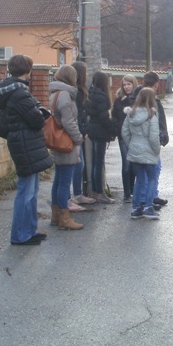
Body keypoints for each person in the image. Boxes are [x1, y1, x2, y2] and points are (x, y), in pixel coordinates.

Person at [0, 54, 53, 246]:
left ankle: (29, 230)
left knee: (31, 189)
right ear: (27, 70)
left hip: (22, 143)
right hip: (25, 143)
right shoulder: (20, 93)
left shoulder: (11, 90)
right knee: (26, 191)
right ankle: (20, 235)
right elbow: (35, 120)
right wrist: (41, 113)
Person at [48, 65, 85, 230]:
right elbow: (68, 121)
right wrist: (78, 139)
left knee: (58, 179)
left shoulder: (55, 92)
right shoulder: (64, 95)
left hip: (58, 141)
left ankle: (56, 215)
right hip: (66, 141)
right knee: (64, 181)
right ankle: (64, 218)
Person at [121, 87, 161, 220]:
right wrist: (156, 151)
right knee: (151, 179)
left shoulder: (130, 114)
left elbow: (125, 133)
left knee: (139, 179)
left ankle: (136, 208)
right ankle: (148, 207)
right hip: (149, 150)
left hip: (135, 149)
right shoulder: (152, 115)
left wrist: (131, 145)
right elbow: (154, 137)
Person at [131, 71, 169, 209]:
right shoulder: (149, 100)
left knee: (145, 175)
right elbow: (155, 124)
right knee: (151, 172)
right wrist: (160, 138)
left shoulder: (135, 98)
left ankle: (149, 198)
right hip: (149, 144)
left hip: (138, 144)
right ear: (156, 84)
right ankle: (146, 201)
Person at [87, 71, 118, 204]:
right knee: (99, 163)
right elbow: (104, 118)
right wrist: (113, 129)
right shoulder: (102, 96)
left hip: (92, 129)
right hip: (100, 131)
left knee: (95, 161)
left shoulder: (90, 93)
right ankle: (99, 192)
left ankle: (95, 191)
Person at [70, 61, 96, 207]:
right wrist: (83, 131)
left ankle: (77, 193)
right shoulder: (77, 92)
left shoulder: (79, 91)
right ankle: (75, 195)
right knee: (77, 164)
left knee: (79, 164)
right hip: (77, 132)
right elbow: (78, 114)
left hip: (78, 130)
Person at [111, 74, 138, 202]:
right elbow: (114, 117)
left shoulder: (138, 99)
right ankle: (127, 193)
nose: (126, 87)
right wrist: (118, 130)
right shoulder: (118, 100)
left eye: (129, 84)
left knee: (134, 165)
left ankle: (133, 191)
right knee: (126, 164)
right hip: (123, 137)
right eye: (124, 84)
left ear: (134, 84)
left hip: (136, 137)